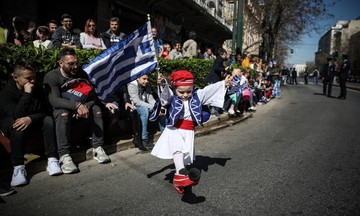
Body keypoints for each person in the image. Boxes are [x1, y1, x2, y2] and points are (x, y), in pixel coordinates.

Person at [150, 70, 232, 194]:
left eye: (188, 91)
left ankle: (180, 180)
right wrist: (162, 84)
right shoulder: (172, 95)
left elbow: (208, 90)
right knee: (178, 148)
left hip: (188, 131)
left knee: (183, 155)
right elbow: (164, 97)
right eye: (181, 92)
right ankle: (181, 173)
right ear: (175, 88)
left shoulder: (197, 95)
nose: (185, 95)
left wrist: (223, 83)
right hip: (174, 129)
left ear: (192, 87)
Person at [43, 48, 110, 174]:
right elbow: (55, 101)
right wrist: (77, 106)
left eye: (76, 63)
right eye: (70, 64)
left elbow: (93, 97)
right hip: (61, 110)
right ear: (61, 63)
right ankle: (64, 156)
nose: (75, 66)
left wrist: (85, 107)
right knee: (63, 113)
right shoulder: (52, 76)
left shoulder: (81, 74)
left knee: (96, 109)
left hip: (81, 109)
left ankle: (97, 147)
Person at [0, 61, 62, 186]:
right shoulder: (6, 93)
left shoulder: (37, 88)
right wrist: (27, 94)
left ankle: (52, 159)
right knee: (17, 126)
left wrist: (30, 118)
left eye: (34, 77)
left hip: (33, 120)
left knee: (48, 120)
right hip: (12, 122)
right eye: (28, 78)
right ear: (16, 78)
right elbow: (16, 115)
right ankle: (18, 168)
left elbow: (46, 110)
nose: (33, 81)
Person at [101, 86, 148, 151]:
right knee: (113, 112)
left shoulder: (117, 77)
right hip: (105, 104)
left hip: (119, 103)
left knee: (132, 110)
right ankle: (106, 133)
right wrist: (105, 103)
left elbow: (124, 91)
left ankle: (137, 138)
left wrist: (127, 101)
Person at [127, 74, 156, 150]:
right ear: (138, 78)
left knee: (162, 111)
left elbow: (151, 99)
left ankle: (164, 135)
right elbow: (137, 102)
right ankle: (144, 139)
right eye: (144, 79)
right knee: (144, 111)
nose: (146, 81)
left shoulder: (146, 85)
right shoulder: (132, 85)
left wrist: (157, 107)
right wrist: (152, 106)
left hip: (144, 105)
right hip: (134, 106)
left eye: (147, 79)